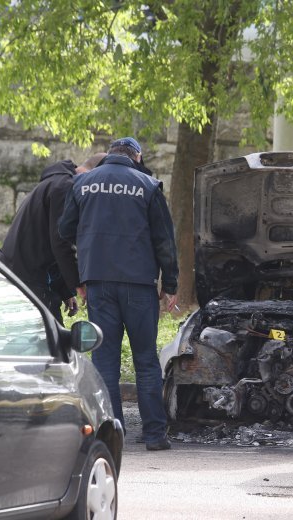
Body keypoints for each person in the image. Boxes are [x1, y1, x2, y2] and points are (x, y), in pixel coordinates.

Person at [58, 137, 178, 451]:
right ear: (136, 157)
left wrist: (88, 250)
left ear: (109, 155)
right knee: (146, 360)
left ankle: (113, 436)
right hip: (139, 284)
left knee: (105, 360)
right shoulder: (148, 185)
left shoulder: (83, 184)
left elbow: (64, 230)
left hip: (98, 282)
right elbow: (164, 240)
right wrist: (172, 286)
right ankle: (154, 435)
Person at [0, 153, 106, 325]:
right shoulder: (65, 188)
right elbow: (61, 242)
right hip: (28, 278)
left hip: (20, 272)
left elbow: (49, 242)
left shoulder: (56, 183)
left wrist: (65, 291)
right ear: (96, 174)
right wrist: (78, 285)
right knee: (53, 343)